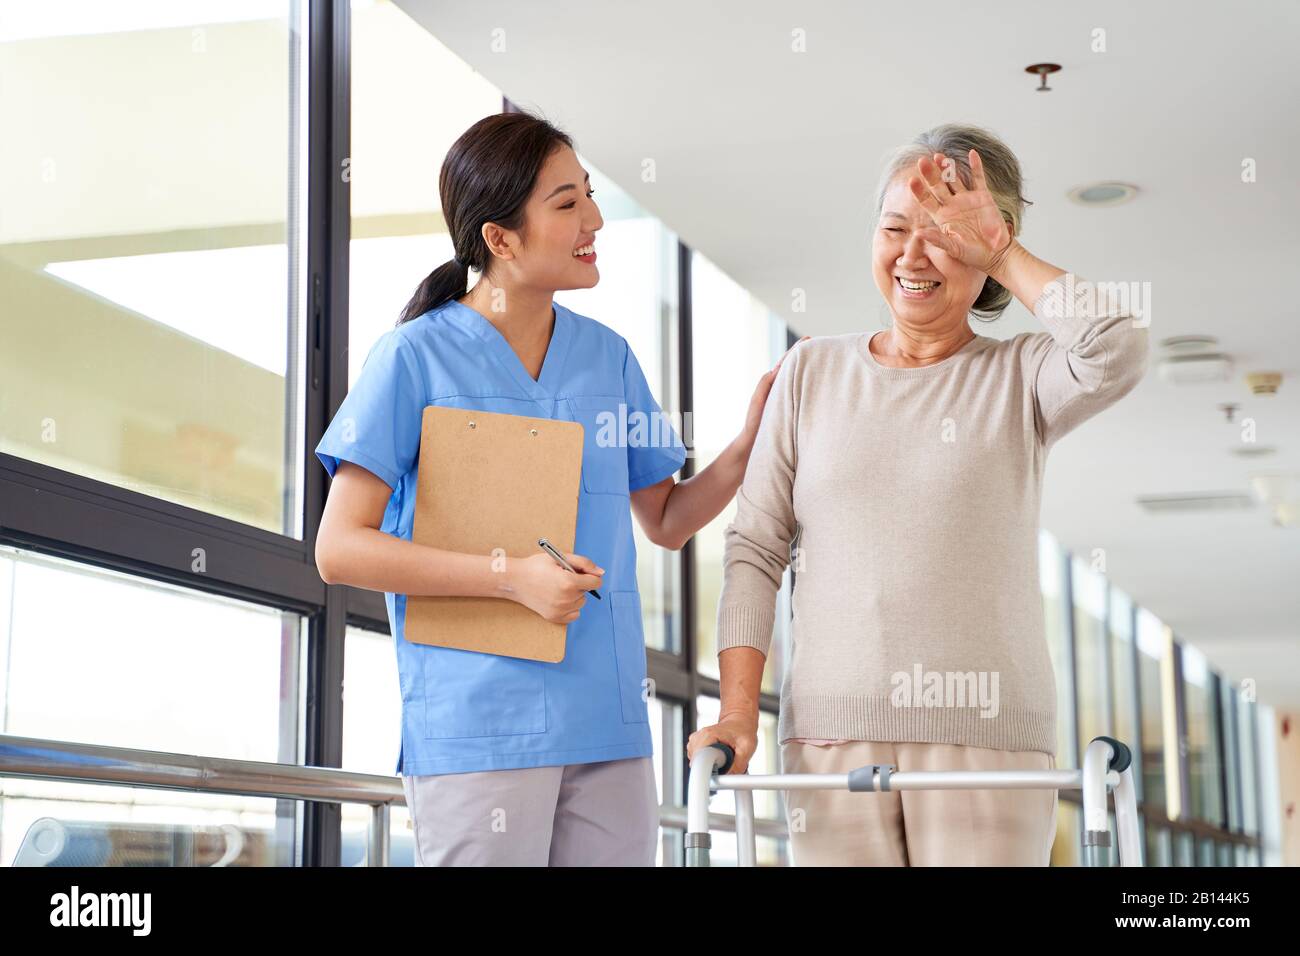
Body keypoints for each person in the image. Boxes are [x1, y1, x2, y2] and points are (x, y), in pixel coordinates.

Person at [314, 110, 795, 866]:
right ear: (499, 239)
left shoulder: (608, 359)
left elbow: (665, 520)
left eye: (590, 196)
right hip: (480, 728)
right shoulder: (413, 359)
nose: (594, 219)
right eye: (566, 204)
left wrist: (744, 449)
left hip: (608, 723)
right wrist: (511, 580)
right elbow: (339, 550)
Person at [687, 123, 1150, 866]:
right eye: (895, 228)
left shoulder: (1022, 376)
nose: (912, 254)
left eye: (944, 235)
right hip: (828, 741)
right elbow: (755, 547)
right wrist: (738, 713)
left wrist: (1004, 251)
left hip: (988, 736)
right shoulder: (809, 373)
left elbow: (1117, 347)